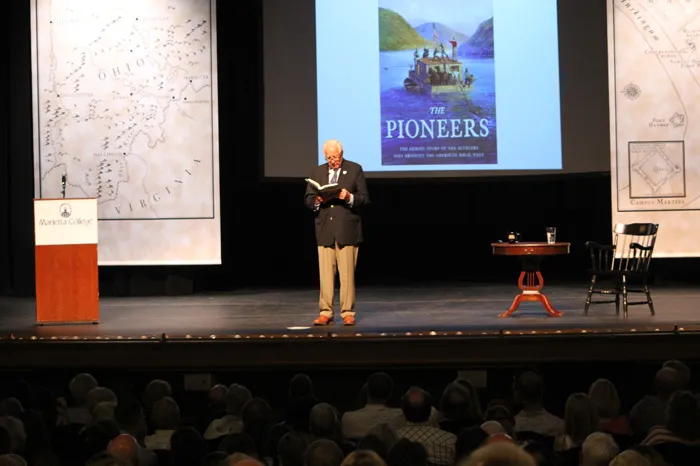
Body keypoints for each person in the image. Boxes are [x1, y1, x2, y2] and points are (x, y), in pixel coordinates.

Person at [304, 139, 369, 326]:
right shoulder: (317, 172)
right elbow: (308, 200)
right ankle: (326, 311)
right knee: (325, 274)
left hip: (347, 228)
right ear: (325, 156)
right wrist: (316, 199)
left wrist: (349, 197)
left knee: (347, 274)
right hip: (325, 229)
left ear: (342, 154)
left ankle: (348, 312)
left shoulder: (355, 169)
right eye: (329, 157)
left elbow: (364, 199)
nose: (333, 160)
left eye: (336, 157)